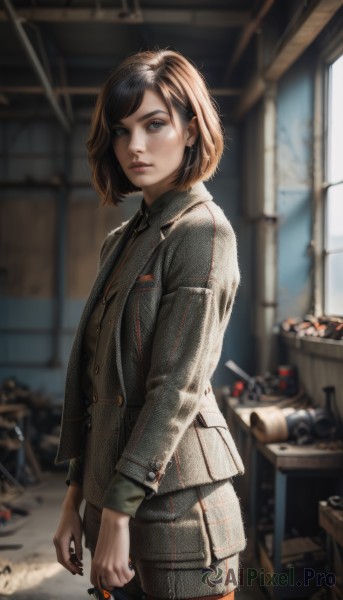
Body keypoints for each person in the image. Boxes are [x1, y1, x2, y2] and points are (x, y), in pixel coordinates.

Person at [53, 48, 246, 600]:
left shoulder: (205, 233)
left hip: (179, 511)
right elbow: (98, 386)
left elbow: (176, 387)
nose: (134, 146)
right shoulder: (122, 240)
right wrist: (74, 496)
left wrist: (114, 513)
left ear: (190, 129)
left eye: (154, 124)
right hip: (114, 501)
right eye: (121, 130)